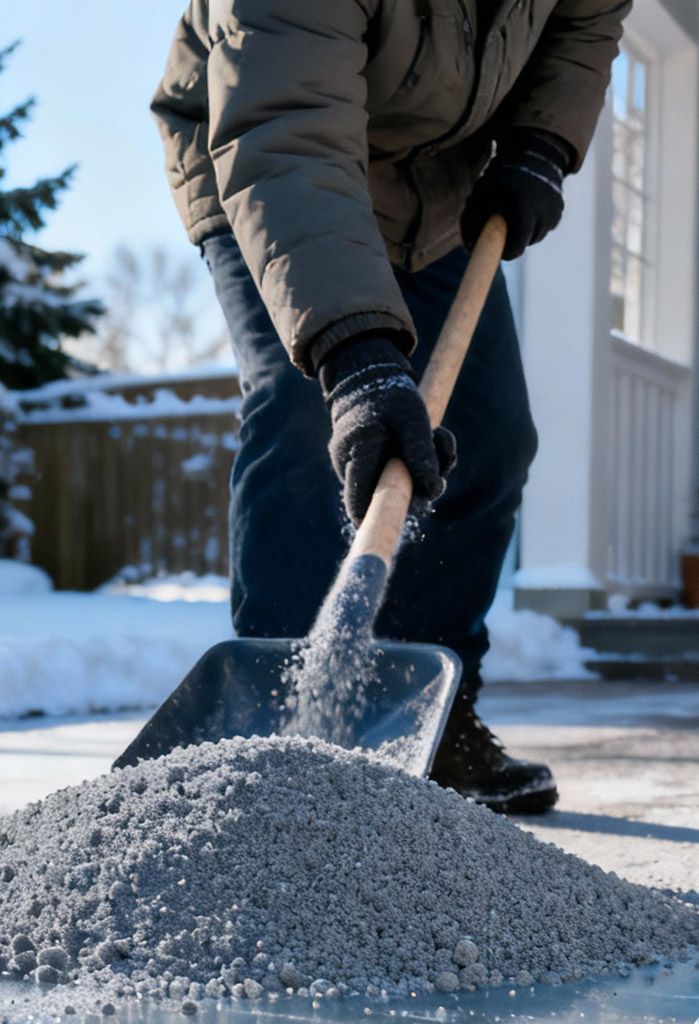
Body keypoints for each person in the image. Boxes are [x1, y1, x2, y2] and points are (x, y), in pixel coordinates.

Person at [151, 0, 630, 814]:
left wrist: (544, 142)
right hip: (272, 156)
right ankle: (277, 734)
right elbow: (287, 123)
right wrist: (358, 362)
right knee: (309, 411)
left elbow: (586, 20)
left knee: (489, 434)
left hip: (439, 193)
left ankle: (430, 717)